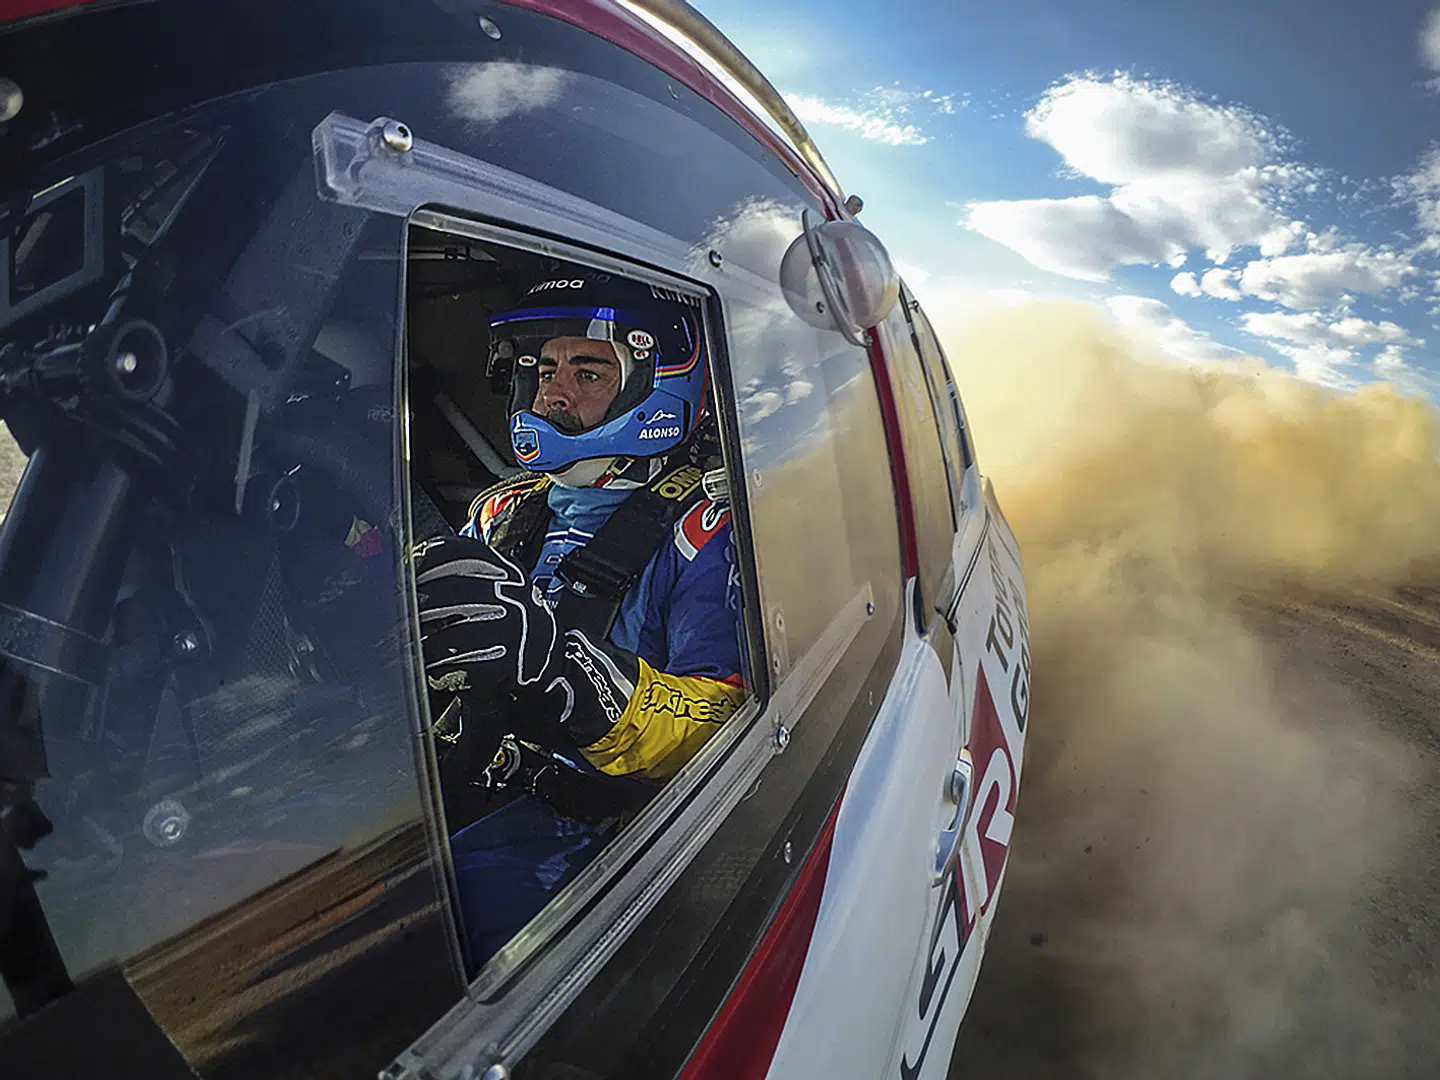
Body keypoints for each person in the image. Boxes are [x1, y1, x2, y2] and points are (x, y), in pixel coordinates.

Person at [413, 271, 747, 967]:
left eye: (587, 371)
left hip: (600, 841)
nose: (553, 394)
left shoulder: (705, 531)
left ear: (655, 385)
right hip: (461, 790)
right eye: (543, 371)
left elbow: (730, 726)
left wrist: (573, 679)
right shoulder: (502, 512)